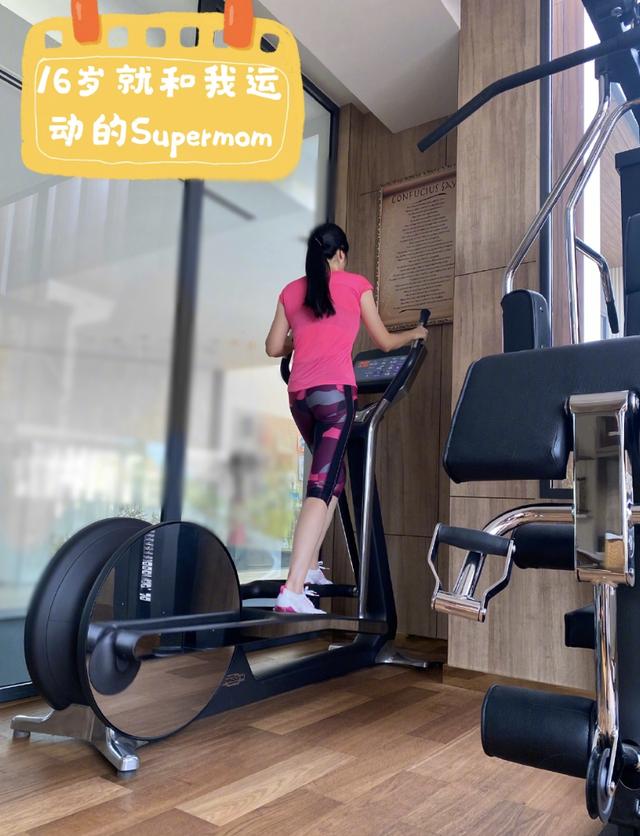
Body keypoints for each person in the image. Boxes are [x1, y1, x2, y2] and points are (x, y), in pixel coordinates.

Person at [265, 223, 428, 614]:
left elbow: (273, 347)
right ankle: (292, 590)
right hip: (334, 396)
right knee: (320, 486)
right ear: (340, 254)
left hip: (300, 397)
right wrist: (416, 332)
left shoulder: (290, 291)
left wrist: (301, 339)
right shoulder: (356, 285)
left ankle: (309, 567)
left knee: (333, 478)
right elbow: (384, 341)